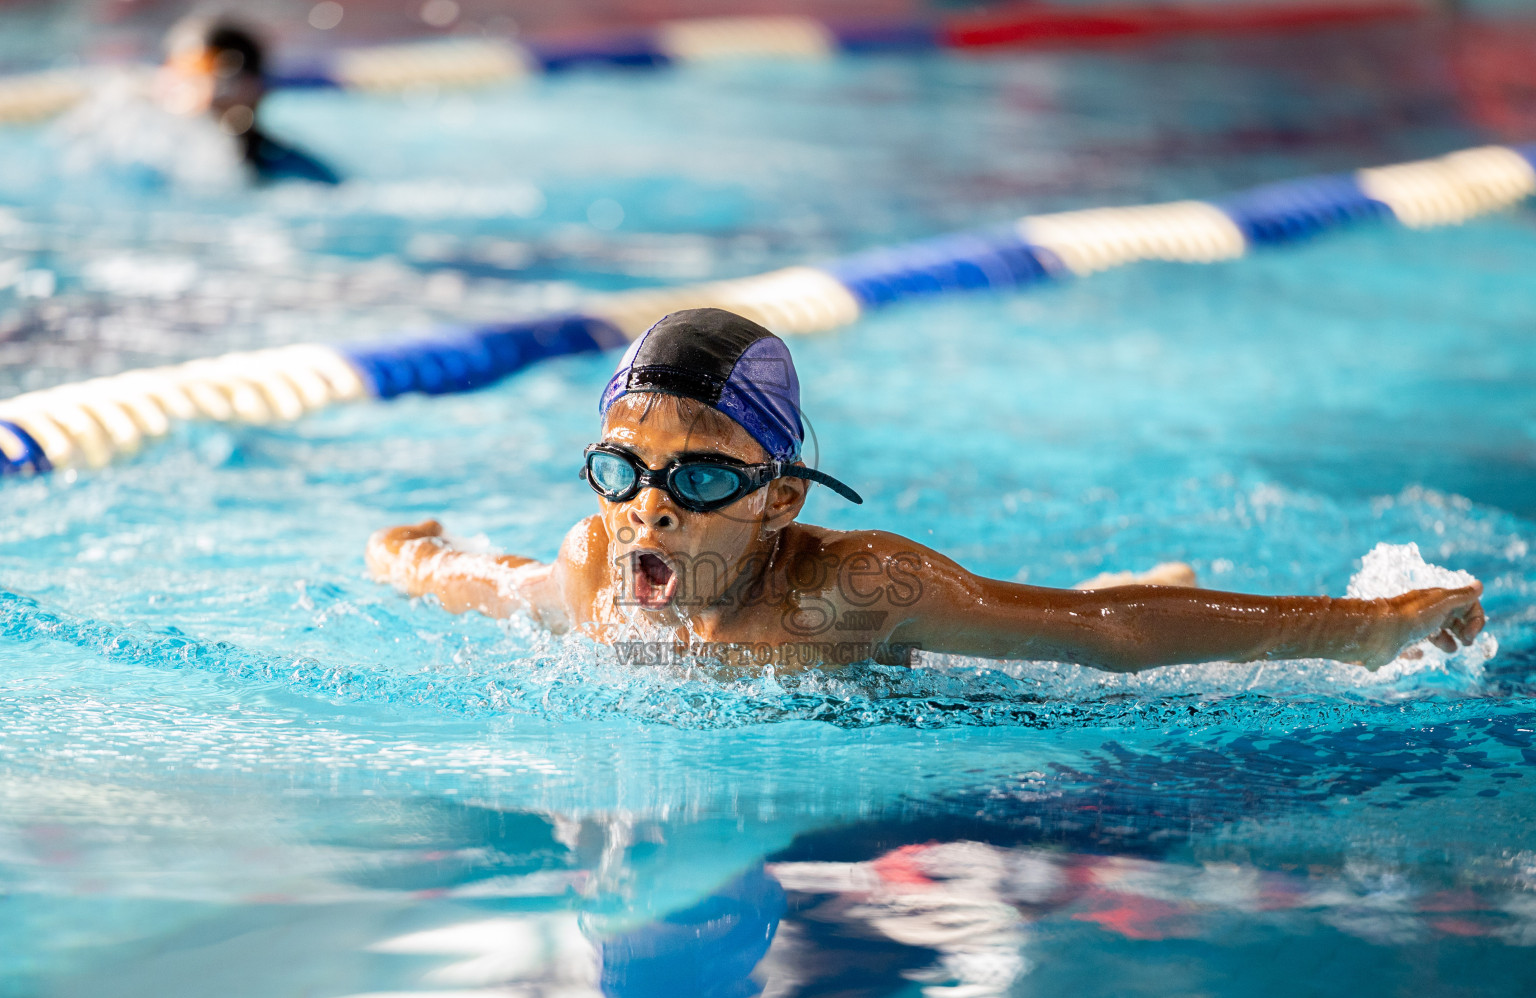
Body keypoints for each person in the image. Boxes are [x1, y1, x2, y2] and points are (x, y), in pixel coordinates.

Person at [366, 307, 1486, 672]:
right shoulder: (603, 565)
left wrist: (1368, 626)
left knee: (1058, 617)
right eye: (624, 470)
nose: (648, 507)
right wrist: (412, 560)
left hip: (922, 672)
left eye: (701, 475)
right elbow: (501, 584)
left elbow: (1107, 636)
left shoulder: (852, 588)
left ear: (782, 500)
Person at [158, 15, 340, 185]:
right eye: (172, 67)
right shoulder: (157, 153)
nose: (176, 82)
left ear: (249, 85)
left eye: (194, 69)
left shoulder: (294, 172)